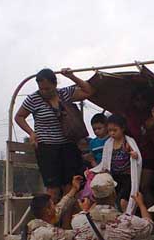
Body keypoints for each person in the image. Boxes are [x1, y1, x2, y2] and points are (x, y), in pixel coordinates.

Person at [14, 68, 94, 203]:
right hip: (47, 148)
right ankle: (51, 219)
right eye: (41, 89)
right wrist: (31, 133)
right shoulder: (33, 99)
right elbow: (19, 117)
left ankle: (66, 222)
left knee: (70, 186)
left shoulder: (64, 93)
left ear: (55, 85)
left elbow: (88, 91)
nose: (44, 92)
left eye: (48, 88)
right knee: (53, 189)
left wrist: (72, 77)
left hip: (68, 145)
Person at [91, 114, 142, 213]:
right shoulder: (108, 143)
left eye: (115, 130)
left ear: (122, 128)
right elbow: (105, 162)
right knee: (112, 201)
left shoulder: (128, 142)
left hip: (127, 177)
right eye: (110, 130)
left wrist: (135, 155)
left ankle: (126, 219)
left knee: (124, 201)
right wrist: (97, 170)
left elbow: (138, 158)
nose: (112, 133)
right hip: (114, 177)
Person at [125, 87, 154, 207]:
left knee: (144, 186)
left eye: (143, 99)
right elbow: (131, 134)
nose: (140, 102)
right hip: (134, 156)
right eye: (137, 99)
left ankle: (151, 216)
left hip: (150, 157)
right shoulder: (130, 116)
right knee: (136, 186)